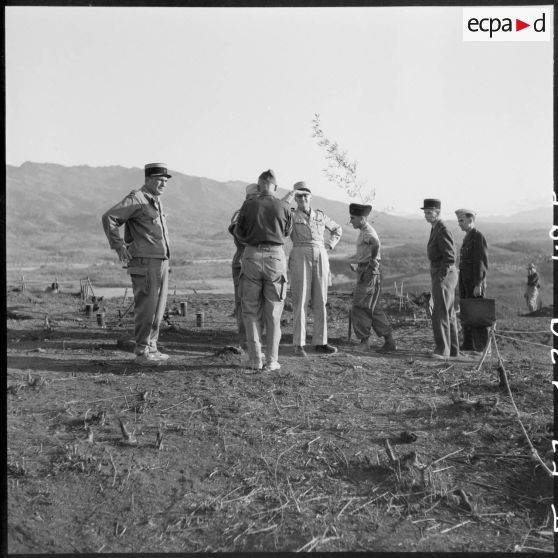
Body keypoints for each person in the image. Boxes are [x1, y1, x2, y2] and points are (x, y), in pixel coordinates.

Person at [102, 163, 172, 366]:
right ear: (148, 179)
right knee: (146, 307)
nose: (163, 184)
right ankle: (142, 352)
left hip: (160, 261)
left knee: (158, 308)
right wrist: (119, 246)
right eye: (160, 180)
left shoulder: (155, 201)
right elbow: (109, 218)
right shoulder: (137, 199)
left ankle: (152, 347)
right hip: (145, 262)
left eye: (165, 181)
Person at [234, 169, 293, 371]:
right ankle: (272, 360)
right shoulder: (284, 206)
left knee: (250, 310)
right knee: (274, 312)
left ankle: (254, 358)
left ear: (259, 186)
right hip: (276, 258)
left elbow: (239, 232)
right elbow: (287, 232)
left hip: (251, 257)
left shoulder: (248, 204)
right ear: (275, 187)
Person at [286, 181, 342, 357]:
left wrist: (330, 245)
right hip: (300, 253)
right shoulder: (291, 215)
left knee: (320, 301)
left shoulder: (320, 215)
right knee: (300, 300)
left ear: (311, 197)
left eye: (305, 195)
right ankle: (299, 344)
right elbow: (282, 229)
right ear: (294, 198)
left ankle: (321, 342)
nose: (302, 198)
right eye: (299, 195)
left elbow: (337, 229)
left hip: (321, 254)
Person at [349, 203, 396, 353]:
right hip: (366, 271)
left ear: (362, 218)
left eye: (353, 218)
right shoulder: (364, 230)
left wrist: (372, 261)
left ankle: (364, 342)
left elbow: (376, 243)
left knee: (360, 306)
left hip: (369, 272)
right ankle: (389, 341)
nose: (351, 221)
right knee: (373, 307)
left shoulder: (368, 231)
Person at [422, 198, 459, 359]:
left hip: (444, 275)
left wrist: (440, 277)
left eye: (429, 212)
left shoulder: (442, 229)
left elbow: (450, 257)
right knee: (448, 313)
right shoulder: (435, 228)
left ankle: (443, 350)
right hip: (442, 274)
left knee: (440, 313)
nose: (426, 215)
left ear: (438, 213)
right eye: (425, 212)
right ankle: (453, 350)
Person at [228, 183, 260, 347]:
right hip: (243, 263)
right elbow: (240, 236)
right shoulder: (240, 215)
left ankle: (258, 339)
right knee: (243, 304)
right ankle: (246, 341)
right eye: (255, 198)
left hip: (259, 263)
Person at [455, 208, 489, 353]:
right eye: (458, 221)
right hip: (465, 282)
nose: (459, 224)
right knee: (467, 314)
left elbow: (481, 262)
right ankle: (469, 344)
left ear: (470, 220)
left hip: (474, 283)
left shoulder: (477, 237)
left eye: (461, 220)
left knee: (478, 315)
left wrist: (478, 284)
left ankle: (481, 347)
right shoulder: (468, 237)